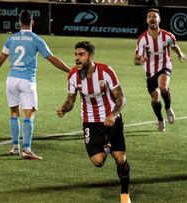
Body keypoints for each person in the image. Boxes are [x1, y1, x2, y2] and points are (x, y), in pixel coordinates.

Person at [0, 10, 70, 160]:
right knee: (29, 114)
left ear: (19, 22)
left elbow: (0, 58)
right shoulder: (36, 39)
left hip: (11, 80)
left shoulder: (11, 38)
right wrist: (69, 71)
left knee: (14, 113)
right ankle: (27, 150)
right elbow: (52, 58)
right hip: (27, 81)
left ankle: (15, 147)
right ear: (32, 21)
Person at [56, 41, 131, 203]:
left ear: (90, 56)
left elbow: (121, 98)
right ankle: (106, 146)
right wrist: (63, 109)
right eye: (75, 54)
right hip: (90, 122)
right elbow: (71, 100)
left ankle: (124, 195)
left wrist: (113, 114)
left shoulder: (106, 71)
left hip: (111, 119)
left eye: (81, 54)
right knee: (98, 162)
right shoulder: (73, 76)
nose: (77, 58)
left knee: (120, 159)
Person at [134, 8, 187, 132]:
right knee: (155, 99)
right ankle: (160, 120)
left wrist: (180, 53)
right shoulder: (142, 39)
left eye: (154, 16)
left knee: (163, 86)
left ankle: (168, 108)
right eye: (149, 16)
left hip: (164, 65)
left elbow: (174, 46)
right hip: (149, 71)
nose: (152, 18)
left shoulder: (167, 35)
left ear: (159, 20)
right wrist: (140, 60)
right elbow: (136, 58)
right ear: (147, 20)